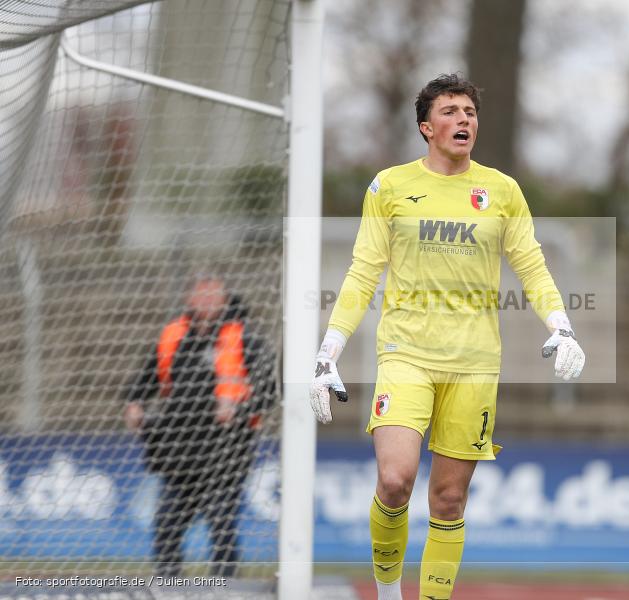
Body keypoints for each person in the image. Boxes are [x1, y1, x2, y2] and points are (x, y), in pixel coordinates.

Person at [309, 74, 585, 600]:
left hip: (475, 364)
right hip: (404, 354)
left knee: (449, 500)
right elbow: (363, 271)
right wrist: (328, 354)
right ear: (426, 127)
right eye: (451, 111)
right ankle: (388, 594)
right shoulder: (388, 186)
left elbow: (531, 265)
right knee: (394, 481)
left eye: (470, 112)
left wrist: (561, 324)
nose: (464, 119)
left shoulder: (501, 190)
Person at [124, 276, 276, 578]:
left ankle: (224, 588)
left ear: (225, 298)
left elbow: (270, 390)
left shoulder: (245, 338)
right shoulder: (173, 336)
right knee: (167, 524)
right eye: (200, 294)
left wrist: (238, 408)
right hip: (182, 451)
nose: (206, 301)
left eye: (213, 294)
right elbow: (146, 377)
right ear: (189, 298)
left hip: (227, 449)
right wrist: (135, 403)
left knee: (221, 522)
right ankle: (168, 587)